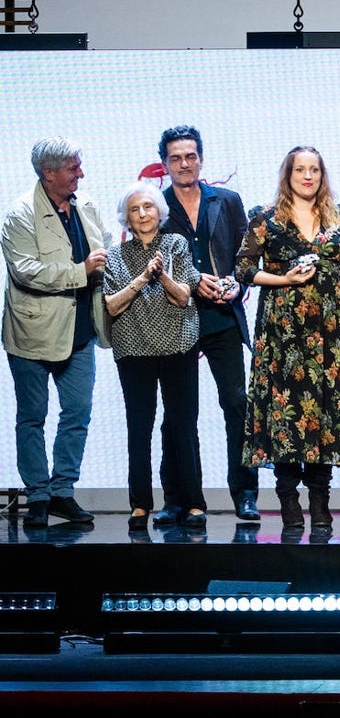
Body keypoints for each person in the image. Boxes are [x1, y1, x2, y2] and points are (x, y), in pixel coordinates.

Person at [235, 146, 340, 529]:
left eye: (314, 169)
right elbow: (244, 269)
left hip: (328, 331)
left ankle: (320, 502)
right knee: (285, 415)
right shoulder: (266, 220)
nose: (307, 176)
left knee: (321, 412)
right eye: (300, 169)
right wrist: (284, 279)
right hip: (282, 332)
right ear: (288, 175)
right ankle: (288, 502)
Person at [1, 136, 110, 529]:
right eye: (72, 168)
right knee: (32, 416)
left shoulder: (87, 206)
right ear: (48, 173)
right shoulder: (20, 214)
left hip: (80, 330)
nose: (80, 173)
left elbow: (106, 251)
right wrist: (80, 270)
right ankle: (38, 496)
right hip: (31, 333)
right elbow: (26, 270)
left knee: (77, 413)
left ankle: (63, 490)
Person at [157, 125, 259, 525]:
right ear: (165, 164)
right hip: (175, 316)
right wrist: (193, 279)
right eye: (176, 158)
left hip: (222, 317)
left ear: (201, 159)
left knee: (236, 404)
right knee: (179, 413)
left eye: (190, 156)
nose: (184, 164)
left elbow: (245, 256)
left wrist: (236, 282)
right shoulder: (157, 205)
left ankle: (245, 494)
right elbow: (153, 260)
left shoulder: (227, 200)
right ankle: (180, 499)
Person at [103, 182, 205, 529]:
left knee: (183, 425)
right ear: (127, 219)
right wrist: (141, 277)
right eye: (135, 209)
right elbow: (112, 305)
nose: (143, 214)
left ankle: (193, 502)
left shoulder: (175, 244)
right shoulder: (115, 255)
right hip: (134, 350)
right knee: (139, 427)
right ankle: (140, 504)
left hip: (178, 345)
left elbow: (183, 297)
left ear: (159, 212)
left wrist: (160, 275)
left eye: (148, 207)